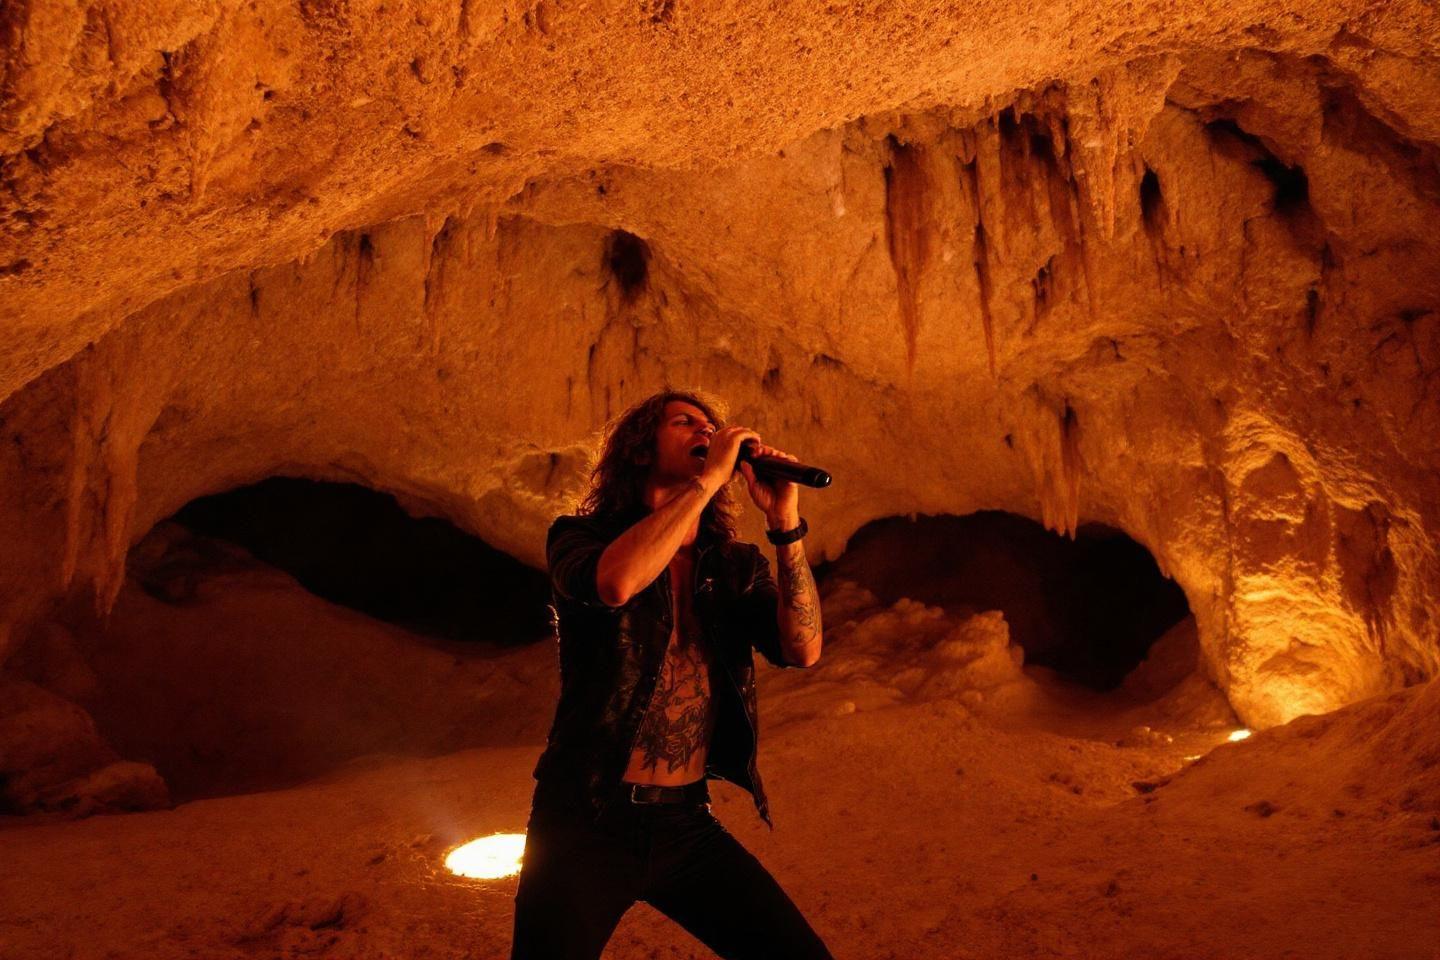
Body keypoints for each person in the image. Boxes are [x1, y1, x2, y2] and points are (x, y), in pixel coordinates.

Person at [509, 389, 834, 960]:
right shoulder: (578, 537)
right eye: (685, 422)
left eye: (712, 425)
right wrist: (705, 482)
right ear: (639, 451)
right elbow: (616, 584)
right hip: (584, 818)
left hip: (686, 823)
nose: (705, 431)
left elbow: (803, 649)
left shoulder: (732, 566)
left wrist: (785, 526)